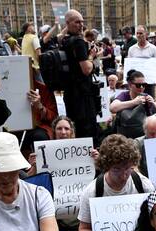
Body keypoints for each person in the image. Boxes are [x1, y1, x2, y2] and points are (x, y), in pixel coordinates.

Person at [77, 134, 154, 231]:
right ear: (106, 166)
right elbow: (84, 228)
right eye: (116, 169)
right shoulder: (92, 191)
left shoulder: (144, 185)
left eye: (128, 168)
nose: (123, 175)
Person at [59, 10, 100, 143]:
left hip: (69, 92)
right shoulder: (78, 42)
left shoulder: (64, 41)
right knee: (88, 131)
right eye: (77, 22)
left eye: (82, 22)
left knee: (75, 129)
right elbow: (86, 69)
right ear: (68, 23)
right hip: (83, 95)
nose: (81, 25)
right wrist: (91, 56)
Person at [111, 70, 156, 139]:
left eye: (144, 85)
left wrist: (154, 103)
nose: (141, 87)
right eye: (138, 85)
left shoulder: (146, 96)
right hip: (125, 136)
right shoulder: (124, 95)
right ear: (130, 85)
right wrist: (134, 102)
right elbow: (112, 108)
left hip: (142, 136)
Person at [127, 25, 156, 97]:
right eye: (137, 33)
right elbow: (130, 66)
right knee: (135, 101)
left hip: (149, 82)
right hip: (136, 84)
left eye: (141, 33)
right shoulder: (131, 49)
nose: (138, 35)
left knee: (149, 101)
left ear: (146, 34)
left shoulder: (153, 48)